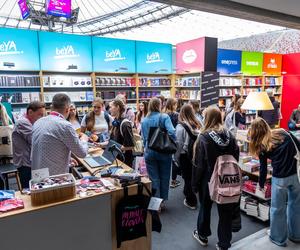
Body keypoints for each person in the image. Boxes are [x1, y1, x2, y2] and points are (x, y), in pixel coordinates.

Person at [192, 107, 239, 250]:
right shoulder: (230, 136)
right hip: (226, 178)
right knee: (225, 211)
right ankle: (224, 243)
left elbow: (199, 164)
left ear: (207, 119)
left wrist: (194, 183)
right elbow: (235, 158)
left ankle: (202, 235)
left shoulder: (204, 137)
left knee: (205, 207)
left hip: (208, 178)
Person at [249, 118, 300, 247]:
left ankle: (278, 238)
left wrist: (261, 184)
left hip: (279, 179)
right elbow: (298, 145)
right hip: (295, 175)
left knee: (277, 209)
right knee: (296, 206)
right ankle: (296, 235)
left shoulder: (262, 145)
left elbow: (263, 169)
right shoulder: (283, 132)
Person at [32, 93, 88, 176]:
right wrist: (84, 139)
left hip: (37, 176)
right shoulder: (64, 125)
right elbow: (82, 153)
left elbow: (49, 147)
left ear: (51, 107)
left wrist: (67, 158)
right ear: (67, 109)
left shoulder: (38, 122)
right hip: (54, 180)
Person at [141, 97, 176, 202]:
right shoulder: (164, 117)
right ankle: (162, 199)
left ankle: (156, 202)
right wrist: (168, 140)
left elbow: (144, 138)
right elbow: (172, 132)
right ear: (160, 105)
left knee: (153, 178)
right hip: (164, 151)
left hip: (149, 151)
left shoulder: (144, 120)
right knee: (165, 176)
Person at [12, 101, 45, 189]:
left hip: (30, 161)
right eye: (40, 115)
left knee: (37, 187)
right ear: (30, 112)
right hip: (25, 164)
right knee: (29, 190)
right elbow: (35, 140)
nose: (42, 117)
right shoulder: (23, 122)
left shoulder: (31, 122)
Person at [174, 104, 201, 209]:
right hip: (197, 154)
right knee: (193, 175)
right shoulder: (198, 124)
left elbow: (178, 144)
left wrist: (175, 158)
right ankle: (194, 191)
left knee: (187, 177)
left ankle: (191, 201)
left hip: (185, 156)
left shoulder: (180, 127)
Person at [109, 99, 135, 167]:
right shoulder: (115, 121)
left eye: (111, 107)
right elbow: (113, 142)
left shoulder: (125, 124)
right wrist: (100, 144)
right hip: (116, 159)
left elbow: (130, 146)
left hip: (125, 161)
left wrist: (114, 148)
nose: (109, 109)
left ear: (117, 107)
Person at [165, 98, 180, 188]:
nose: (177, 106)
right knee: (174, 160)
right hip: (174, 139)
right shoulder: (176, 115)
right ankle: (173, 180)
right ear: (173, 105)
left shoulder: (164, 114)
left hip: (165, 140)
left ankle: (166, 180)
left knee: (166, 160)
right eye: (176, 104)